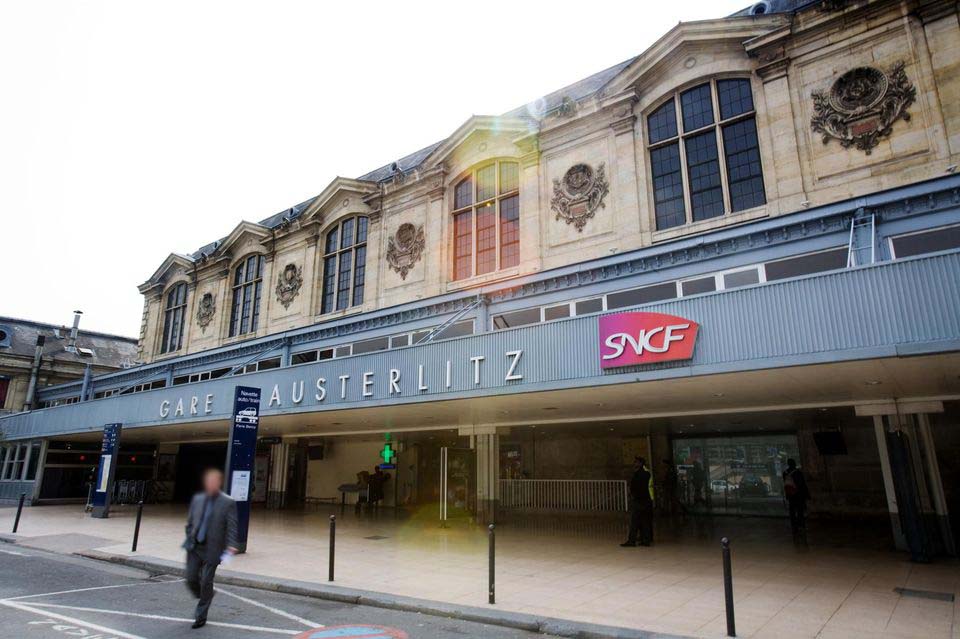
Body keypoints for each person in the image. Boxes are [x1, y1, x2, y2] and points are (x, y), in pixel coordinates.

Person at [182, 468, 238, 629]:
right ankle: (207, 594)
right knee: (191, 578)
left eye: (214, 481)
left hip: (213, 548)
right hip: (195, 546)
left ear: (219, 483)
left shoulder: (228, 502)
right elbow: (191, 521)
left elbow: (232, 526)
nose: (210, 484)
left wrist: (232, 544)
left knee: (206, 580)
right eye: (208, 481)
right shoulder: (198, 499)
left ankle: (201, 616)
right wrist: (189, 535)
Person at [621, 457, 654, 547]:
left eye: (636, 462)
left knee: (635, 521)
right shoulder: (647, 473)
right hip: (647, 500)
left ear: (640, 463)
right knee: (645, 521)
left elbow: (635, 487)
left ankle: (632, 541)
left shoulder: (639, 474)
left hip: (640, 500)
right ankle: (646, 540)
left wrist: (632, 495)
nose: (634, 463)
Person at [782, 458, 810, 536]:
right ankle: (801, 525)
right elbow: (802, 485)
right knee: (800, 510)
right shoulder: (798, 473)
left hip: (790, 494)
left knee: (792, 511)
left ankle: (794, 525)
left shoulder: (785, 473)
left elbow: (786, 484)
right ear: (794, 464)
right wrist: (806, 494)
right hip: (798, 495)